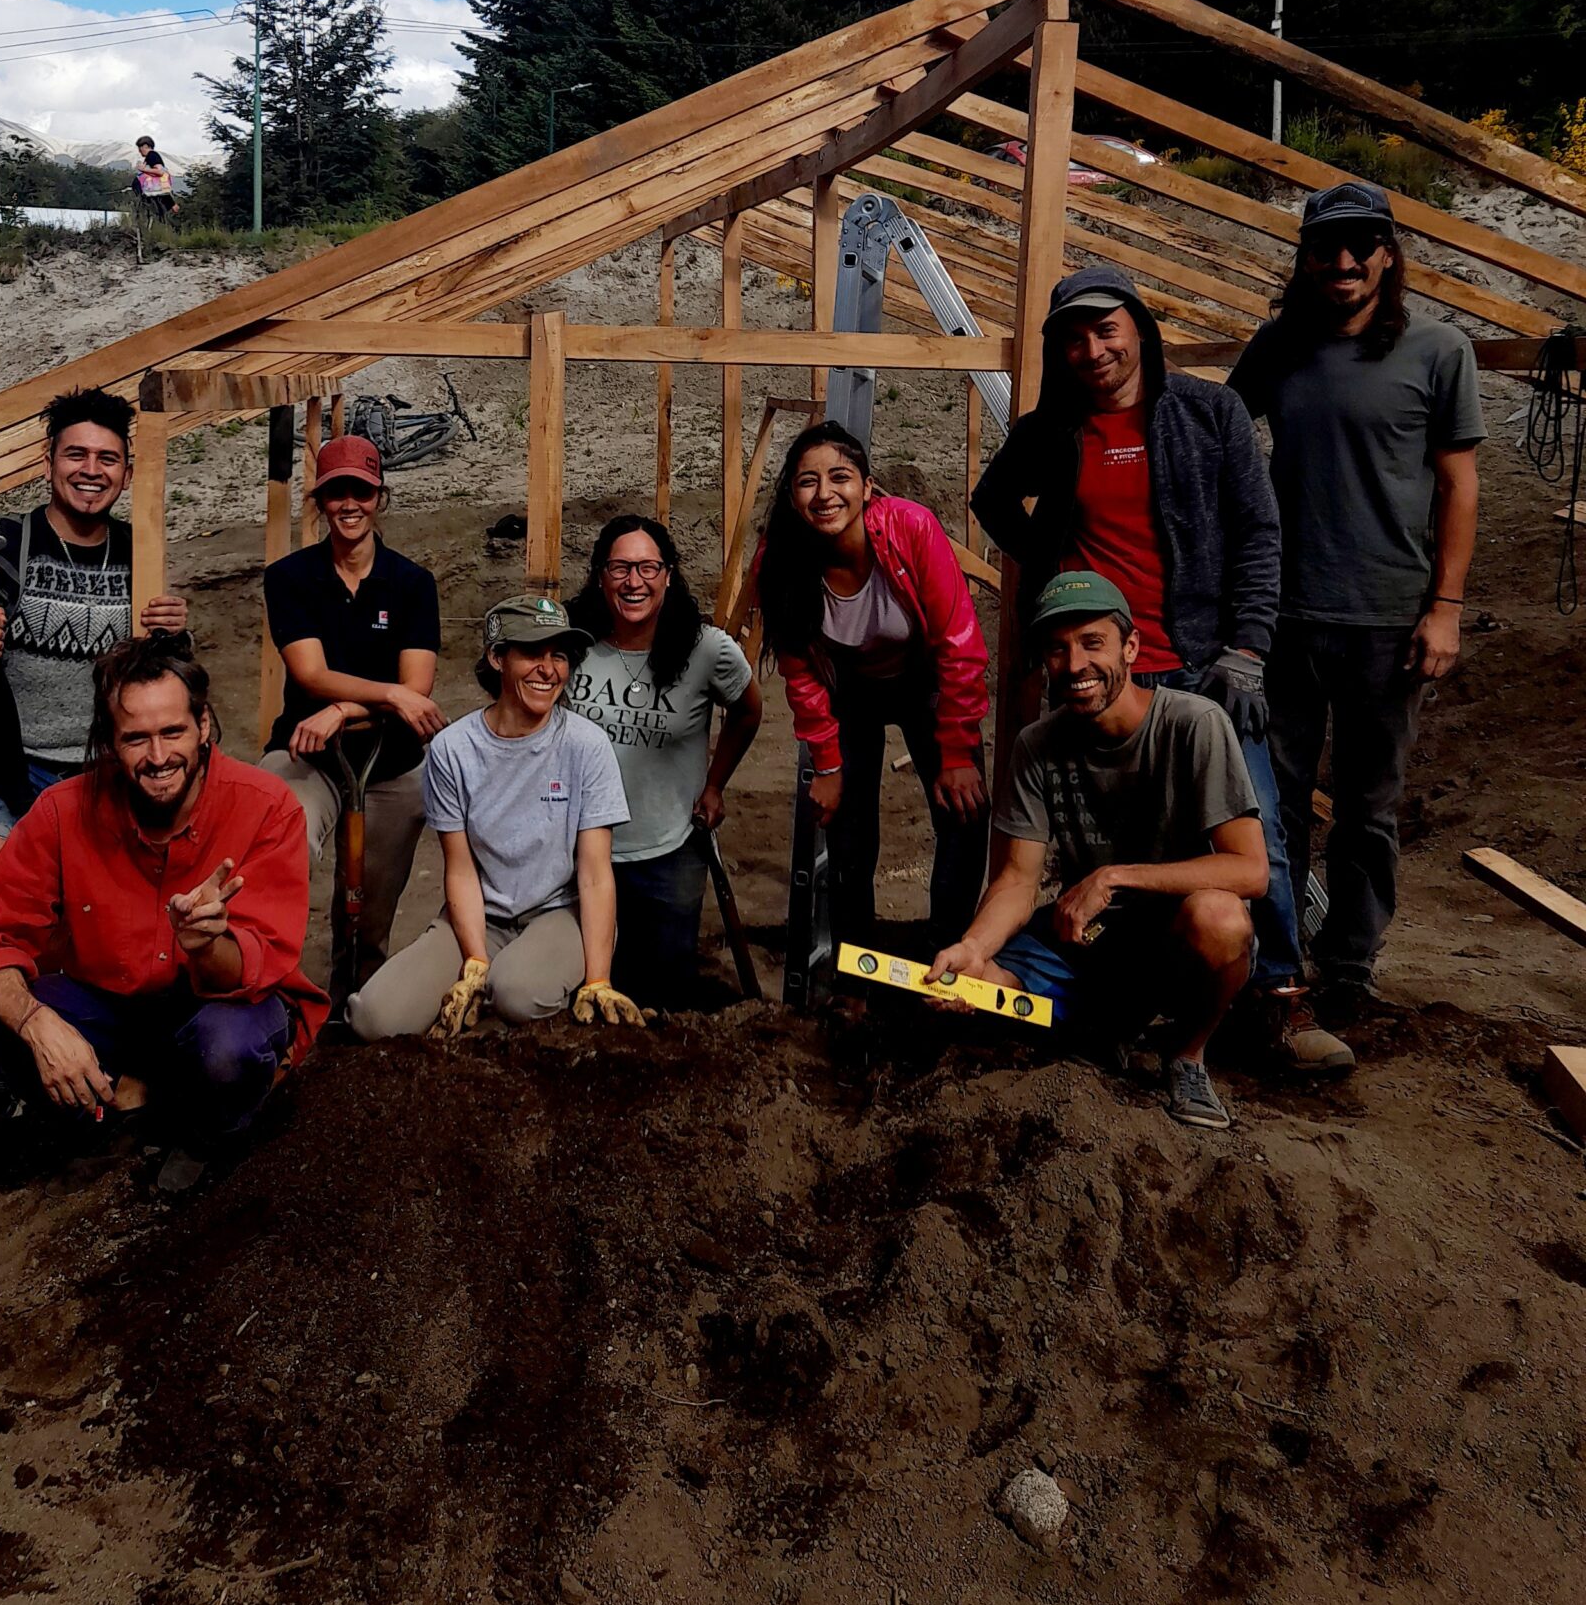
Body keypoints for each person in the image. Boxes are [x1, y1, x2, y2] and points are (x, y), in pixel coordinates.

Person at [971, 265, 1325, 1068]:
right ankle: (1128, 994)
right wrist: (1055, 562)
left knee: (1258, 834)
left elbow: (1259, 534)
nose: (1092, 350)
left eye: (1106, 331)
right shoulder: (1053, 430)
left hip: (1204, 665)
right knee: (1096, 840)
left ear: (1138, 328)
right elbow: (993, 501)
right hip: (1099, 670)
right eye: (1073, 338)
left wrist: (1248, 649)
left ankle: (1278, 1001)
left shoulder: (1209, 413)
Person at [1231, 181, 1483, 1035]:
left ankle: (1350, 967)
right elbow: (1223, 438)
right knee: (1276, 802)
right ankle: (1278, 965)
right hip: (1287, 615)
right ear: (1304, 257)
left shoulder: (1438, 350)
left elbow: (1458, 484)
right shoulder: (1280, 350)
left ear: (1386, 252)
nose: (1342, 261)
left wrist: (1445, 605)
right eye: (1325, 246)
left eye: (1360, 245)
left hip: (1388, 616)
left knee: (1371, 806)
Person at [0, 635, 323, 1196]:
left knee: (229, 1050)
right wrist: (35, 1022)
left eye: (172, 731)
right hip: (111, 1003)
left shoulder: (267, 807)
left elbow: (248, 973)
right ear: (108, 742)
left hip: (215, 1004)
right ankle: (112, 1104)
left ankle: (206, 1132)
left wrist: (206, 943)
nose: (157, 756)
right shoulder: (62, 811)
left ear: (204, 726)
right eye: (135, 738)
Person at [927, 572, 1268, 1132]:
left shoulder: (1194, 724)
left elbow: (1250, 870)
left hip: (1169, 934)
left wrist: (1114, 877)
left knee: (1222, 918)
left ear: (1130, 648)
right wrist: (971, 945)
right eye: (1058, 649)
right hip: (1083, 937)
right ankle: (1105, 1030)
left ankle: (1186, 1055)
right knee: (976, 993)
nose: (1075, 664)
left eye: (1092, 643)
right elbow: (1016, 878)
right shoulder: (1036, 744)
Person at [0, 387, 188, 922]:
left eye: (108, 459)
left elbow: (166, 680)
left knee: (106, 904)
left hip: (105, 771)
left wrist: (171, 638)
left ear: (126, 473)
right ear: (48, 461)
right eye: (76, 454)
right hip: (0, 768)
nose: (91, 471)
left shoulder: (140, 552)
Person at [346, 597, 635, 1041]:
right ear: (498, 658)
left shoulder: (586, 746)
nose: (548, 669)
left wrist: (599, 980)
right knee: (374, 1018)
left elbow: (595, 875)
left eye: (559, 655)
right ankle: (490, 976)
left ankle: (530, 991)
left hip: (559, 913)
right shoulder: (453, 749)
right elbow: (460, 868)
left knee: (518, 995)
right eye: (532, 653)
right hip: (483, 915)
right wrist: (474, 961)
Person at [754, 421, 989, 951]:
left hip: (924, 678)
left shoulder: (911, 528)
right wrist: (828, 764)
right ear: (792, 497)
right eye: (807, 482)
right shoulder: (780, 560)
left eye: (840, 477)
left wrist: (956, 749)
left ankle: (948, 956)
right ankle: (854, 972)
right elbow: (801, 673)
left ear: (867, 485)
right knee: (847, 827)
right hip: (850, 691)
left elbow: (959, 642)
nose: (825, 494)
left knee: (964, 808)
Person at [259, 433, 443, 987]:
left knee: (370, 905)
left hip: (389, 763)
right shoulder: (290, 578)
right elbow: (310, 674)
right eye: (336, 492)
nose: (348, 504)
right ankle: (269, 981)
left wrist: (341, 710)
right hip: (307, 755)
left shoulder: (412, 584)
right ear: (319, 500)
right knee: (278, 844)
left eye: (360, 491)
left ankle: (353, 997)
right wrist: (387, 695)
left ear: (378, 496)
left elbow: (419, 690)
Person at [566, 514, 763, 996]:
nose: (634, 581)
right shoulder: (571, 645)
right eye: (619, 568)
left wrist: (715, 784)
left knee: (661, 991)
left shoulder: (706, 650)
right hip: (576, 848)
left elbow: (747, 711)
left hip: (667, 851)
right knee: (578, 984)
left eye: (648, 568)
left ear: (668, 576)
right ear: (599, 576)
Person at [131, 137, 179, 222]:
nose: (139, 151)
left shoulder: (152, 155)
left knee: (153, 212)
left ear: (145, 146)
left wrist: (143, 169)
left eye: (140, 148)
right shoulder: (151, 156)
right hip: (156, 192)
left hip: (154, 191)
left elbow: (160, 172)